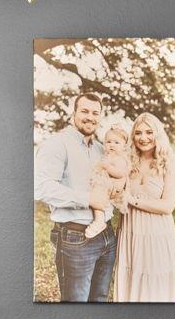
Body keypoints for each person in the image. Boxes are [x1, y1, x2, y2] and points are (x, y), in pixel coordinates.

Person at [34, 90, 116, 301]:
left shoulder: (101, 149)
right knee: (75, 304)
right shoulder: (57, 144)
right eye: (85, 111)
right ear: (73, 114)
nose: (90, 117)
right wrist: (88, 200)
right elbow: (42, 187)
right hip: (75, 237)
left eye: (95, 113)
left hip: (107, 236)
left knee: (99, 298)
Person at [114, 111, 175, 302]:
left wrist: (132, 200)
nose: (143, 138)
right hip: (130, 229)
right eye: (138, 133)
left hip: (156, 232)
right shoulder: (128, 161)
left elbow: (168, 206)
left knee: (154, 282)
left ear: (157, 134)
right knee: (130, 278)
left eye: (149, 132)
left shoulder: (169, 163)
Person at [84, 115, 132, 238]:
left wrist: (107, 167)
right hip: (106, 185)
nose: (112, 145)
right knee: (96, 195)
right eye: (108, 142)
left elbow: (121, 173)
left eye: (116, 142)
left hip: (111, 186)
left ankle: (99, 221)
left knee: (98, 197)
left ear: (124, 145)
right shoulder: (108, 156)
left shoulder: (121, 158)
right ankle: (99, 218)